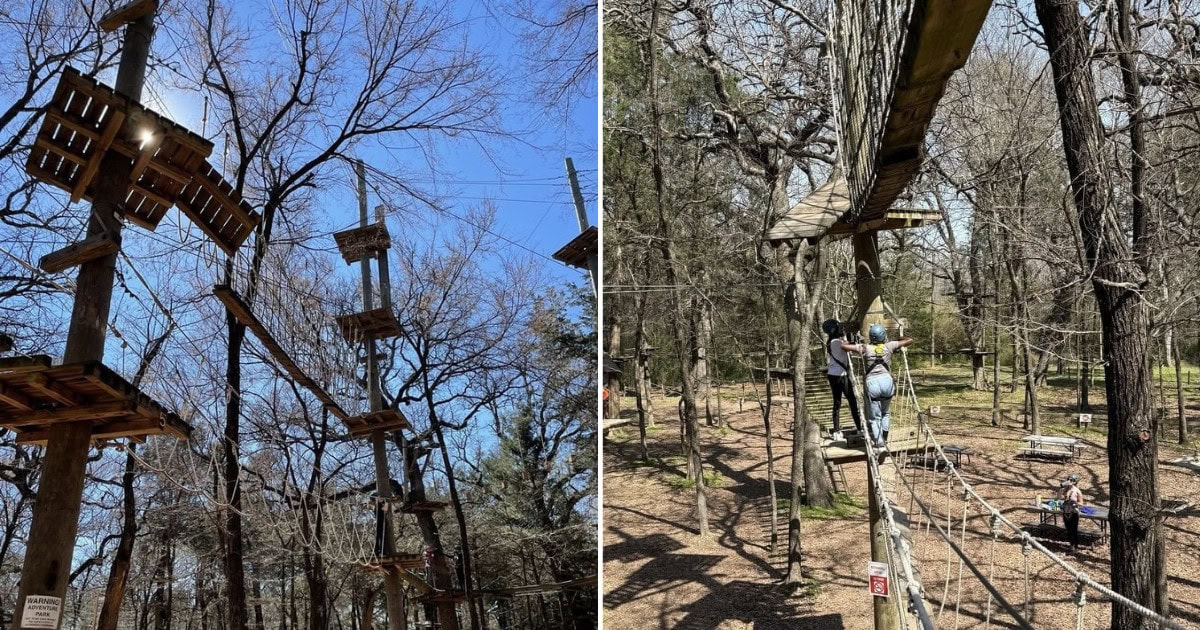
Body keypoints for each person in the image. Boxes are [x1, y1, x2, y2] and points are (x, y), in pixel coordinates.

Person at [841, 323, 914, 450]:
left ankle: (880, 444)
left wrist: (845, 339)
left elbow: (844, 347)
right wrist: (900, 337)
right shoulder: (889, 346)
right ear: (883, 336)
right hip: (887, 382)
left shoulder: (864, 348)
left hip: (873, 383)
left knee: (874, 418)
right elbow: (910, 340)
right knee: (885, 413)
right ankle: (884, 439)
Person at [822, 319, 863, 441]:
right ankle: (855, 428)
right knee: (848, 401)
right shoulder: (836, 342)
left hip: (835, 375)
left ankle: (839, 430)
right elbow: (850, 346)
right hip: (839, 376)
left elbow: (848, 343)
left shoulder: (832, 341)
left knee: (840, 402)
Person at [1060, 473, 1084, 551]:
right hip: (1066, 512)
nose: (1069, 481)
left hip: (1073, 513)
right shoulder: (1065, 489)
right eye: (1068, 479)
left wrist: (1074, 503)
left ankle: (1076, 547)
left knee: (1074, 530)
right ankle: (1071, 546)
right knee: (1068, 530)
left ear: (1075, 482)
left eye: (1071, 480)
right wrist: (1061, 489)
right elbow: (1059, 498)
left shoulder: (1077, 491)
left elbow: (1081, 504)